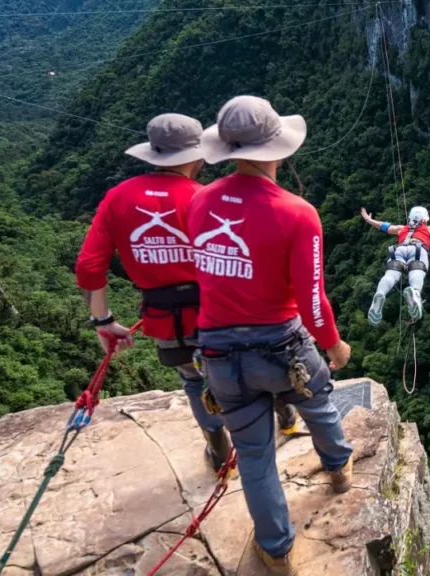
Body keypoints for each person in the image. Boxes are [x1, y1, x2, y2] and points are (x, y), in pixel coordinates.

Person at [190, 95, 354, 576]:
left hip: (220, 354)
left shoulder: (199, 201)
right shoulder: (297, 213)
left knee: (254, 455)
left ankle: (277, 551)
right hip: (283, 347)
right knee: (318, 402)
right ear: (278, 148)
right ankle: (339, 469)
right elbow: (312, 299)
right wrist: (334, 344)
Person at [75, 113, 237, 472]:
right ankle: (273, 426)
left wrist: (103, 320)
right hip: (220, 311)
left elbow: (88, 266)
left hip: (166, 320)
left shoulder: (119, 197)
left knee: (193, 381)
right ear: (198, 155)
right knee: (240, 373)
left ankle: (219, 452)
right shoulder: (206, 197)